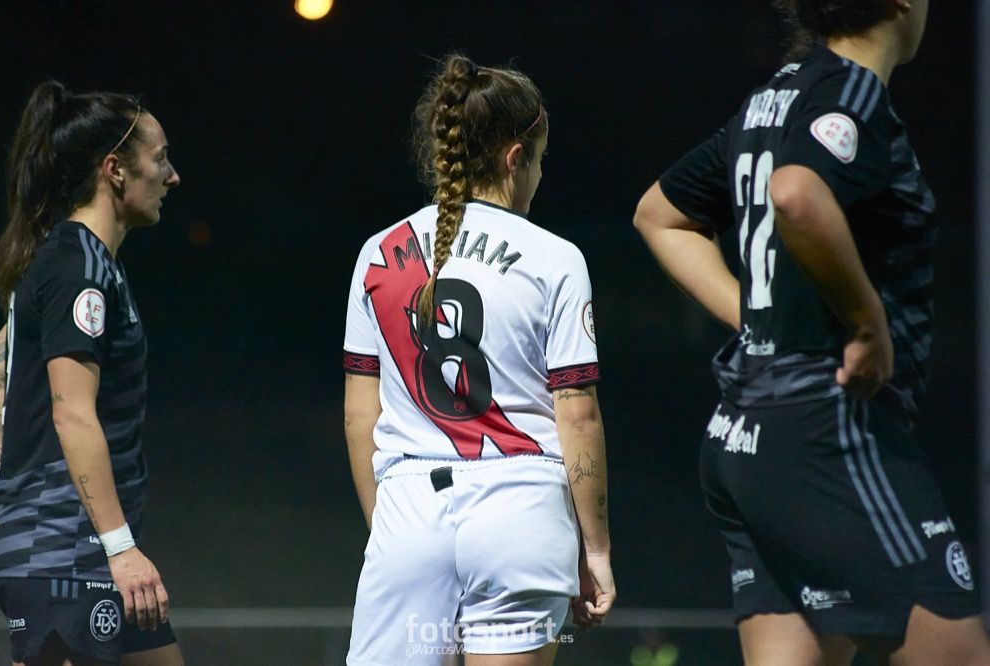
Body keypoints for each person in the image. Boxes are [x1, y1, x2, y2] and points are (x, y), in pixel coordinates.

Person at [634, 1, 990, 664]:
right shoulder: (849, 93)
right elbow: (797, 195)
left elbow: (659, 213)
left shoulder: (771, 101)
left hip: (744, 433)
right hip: (826, 433)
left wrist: (753, 316)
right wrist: (867, 322)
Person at [343, 54, 615, 665]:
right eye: (539, 160)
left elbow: (360, 417)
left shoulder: (378, 253)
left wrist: (389, 529)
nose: (539, 175)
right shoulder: (557, 258)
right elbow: (578, 417)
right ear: (515, 158)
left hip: (410, 506)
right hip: (523, 511)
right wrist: (595, 550)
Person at [0, 81, 183, 665]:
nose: (172, 176)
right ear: (115, 171)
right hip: (66, 554)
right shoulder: (77, 266)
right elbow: (71, 412)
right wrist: (119, 549)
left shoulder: (83, 262)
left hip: (86, 550)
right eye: (160, 159)